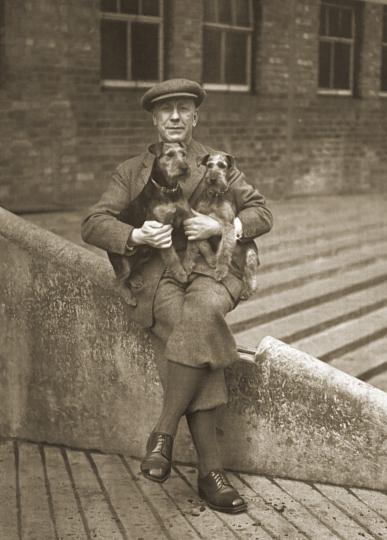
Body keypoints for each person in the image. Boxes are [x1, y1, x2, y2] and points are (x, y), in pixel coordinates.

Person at [81, 78, 273, 514]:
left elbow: (261, 211)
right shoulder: (131, 171)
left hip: (213, 272)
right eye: (165, 111)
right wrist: (134, 233)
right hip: (160, 277)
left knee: (203, 311)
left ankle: (163, 432)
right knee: (197, 330)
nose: (174, 117)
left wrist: (223, 227)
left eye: (183, 110)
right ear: (154, 119)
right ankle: (211, 473)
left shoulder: (216, 163)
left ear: (194, 118)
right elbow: (92, 222)